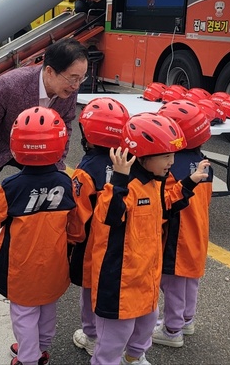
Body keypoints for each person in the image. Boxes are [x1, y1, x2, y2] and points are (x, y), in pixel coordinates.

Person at [0, 37, 90, 291]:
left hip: (38, 151)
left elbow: (66, 126)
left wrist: (58, 165)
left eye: (81, 78)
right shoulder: (11, 84)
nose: (76, 85)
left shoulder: (66, 92)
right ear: (50, 71)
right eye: (72, 77)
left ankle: (51, 260)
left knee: (56, 192)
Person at [88, 113, 208, 365]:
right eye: (165, 156)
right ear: (142, 154)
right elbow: (109, 215)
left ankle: (134, 358)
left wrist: (189, 183)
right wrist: (119, 178)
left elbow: (164, 207)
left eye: (173, 155)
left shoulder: (154, 182)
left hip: (146, 279)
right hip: (120, 282)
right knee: (113, 338)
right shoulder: (124, 186)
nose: (171, 162)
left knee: (144, 329)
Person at [0, 107, 82, 365]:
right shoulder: (65, 182)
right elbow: (75, 228)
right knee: (48, 308)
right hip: (55, 265)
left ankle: (28, 357)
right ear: (60, 145)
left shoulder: (12, 186)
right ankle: (42, 349)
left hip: (21, 268)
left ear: (17, 146)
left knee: (24, 314)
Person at [69, 97, 131, 357]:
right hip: (122, 241)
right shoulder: (130, 163)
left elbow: (77, 215)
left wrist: (72, 241)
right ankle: (117, 338)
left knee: (89, 289)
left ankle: (91, 334)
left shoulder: (85, 171)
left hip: (93, 244)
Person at [155, 100, 214, 348]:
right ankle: (186, 320)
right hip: (198, 231)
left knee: (173, 282)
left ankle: (172, 330)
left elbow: (165, 204)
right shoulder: (203, 163)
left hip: (178, 235)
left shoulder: (170, 166)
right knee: (191, 279)